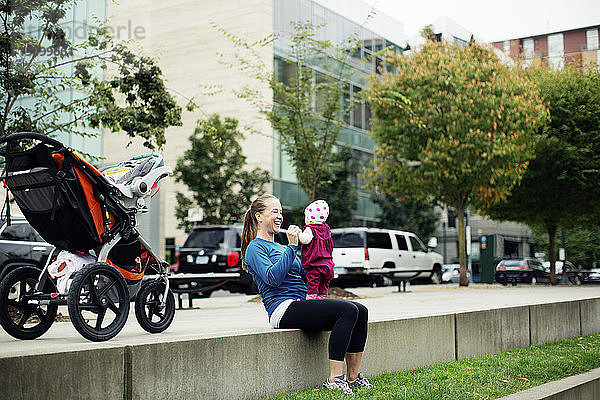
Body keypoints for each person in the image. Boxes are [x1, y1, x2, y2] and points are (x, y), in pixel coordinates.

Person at [241, 194, 372, 395]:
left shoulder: (282, 246)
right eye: (274, 211)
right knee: (347, 310)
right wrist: (293, 247)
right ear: (259, 216)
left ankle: (353, 377)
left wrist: (321, 259)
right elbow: (272, 278)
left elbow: (305, 273)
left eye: (281, 212)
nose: (280, 216)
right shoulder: (255, 248)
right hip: (282, 309)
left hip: (302, 304)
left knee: (360, 310)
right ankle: (334, 379)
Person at [297, 199, 334, 300]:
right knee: (324, 283)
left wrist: (298, 234)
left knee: (313, 283)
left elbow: (305, 240)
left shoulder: (310, 229)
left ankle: (311, 299)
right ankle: (321, 297)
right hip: (328, 264)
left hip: (315, 265)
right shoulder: (326, 229)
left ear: (309, 218)